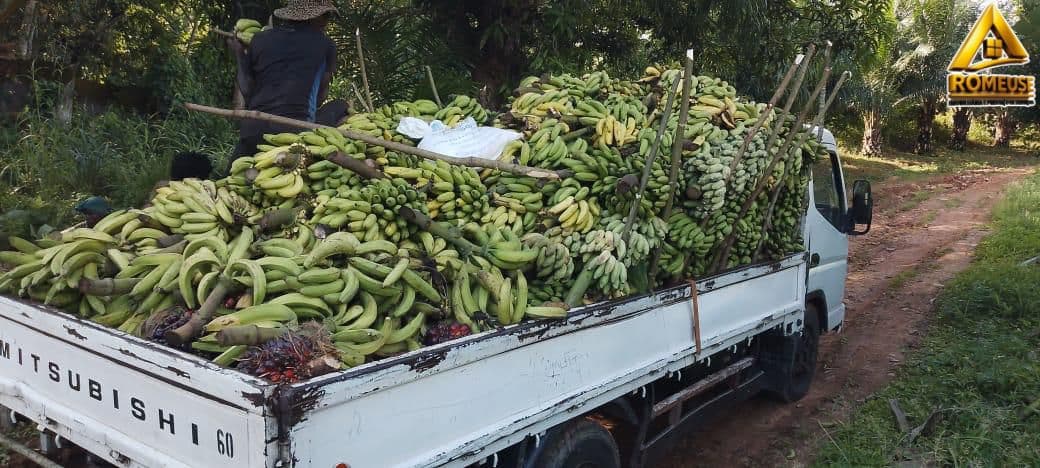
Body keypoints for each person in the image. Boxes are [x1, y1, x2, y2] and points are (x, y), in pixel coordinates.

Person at [227, 0, 347, 168]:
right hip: (295, 131)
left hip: (253, 129)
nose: (328, 21)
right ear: (314, 17)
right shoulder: (326, 46)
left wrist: (239, 53)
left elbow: (247, 90)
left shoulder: (260, 39)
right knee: (342, 105)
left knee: (228, 176)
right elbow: (320, 97)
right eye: (326, 16)